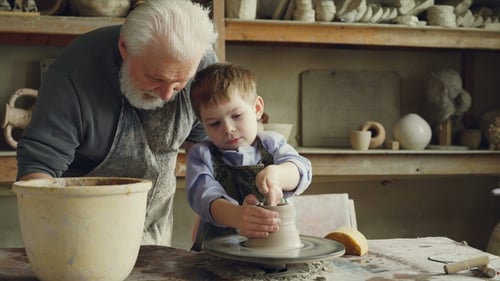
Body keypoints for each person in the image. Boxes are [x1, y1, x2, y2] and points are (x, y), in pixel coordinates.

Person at [15, 0, 218, 246]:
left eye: (179, 84)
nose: (167, 95)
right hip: (80, 235)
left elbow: (206, 150)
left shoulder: (203, 64)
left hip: (157, 232)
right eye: (156, 78)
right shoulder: (74, 76)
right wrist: (54, 247)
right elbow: (38, 174)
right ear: (125, 48)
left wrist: (212, 214)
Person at [186, 63, 312, 251]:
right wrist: (238, 216)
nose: (228, 129)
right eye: (214, 123)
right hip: (217, 250)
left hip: (273, 246)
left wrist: (278, 175)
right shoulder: (202, 154)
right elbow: (203, 196)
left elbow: (302, 169)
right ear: (203, 124)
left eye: (236, 115)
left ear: (257, 108)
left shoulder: (272, 143)